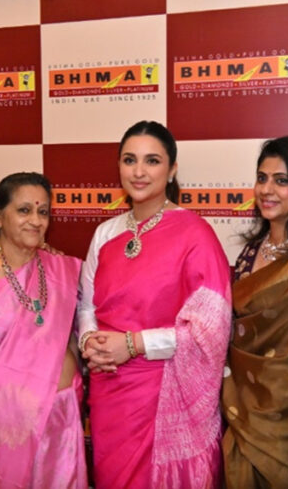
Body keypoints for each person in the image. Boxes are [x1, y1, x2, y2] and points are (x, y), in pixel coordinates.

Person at [78, 121, 232, 488]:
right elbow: (86, 306)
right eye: (129, 160)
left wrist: (132, 345)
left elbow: (209, 330)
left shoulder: (195, 234)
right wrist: (89, 342)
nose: (139, 171)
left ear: (172, 169)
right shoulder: (106, 234)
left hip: (163, 389)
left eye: (152, 161)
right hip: (109, 388)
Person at [0, 172, 88, 488]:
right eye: (24, 210)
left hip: (60, 421)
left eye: (43, 211)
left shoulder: (64, 269)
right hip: (2, 432)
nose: (36, 220)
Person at [222, 136, 288, 488]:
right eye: (262, 178)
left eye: (282, 181)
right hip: (241, 404)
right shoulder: (249, 253)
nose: (267, 190)